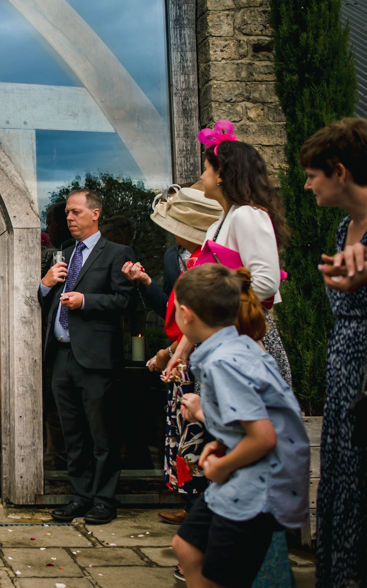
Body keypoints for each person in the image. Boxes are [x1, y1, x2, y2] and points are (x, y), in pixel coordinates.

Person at [171, 264, 309, 588]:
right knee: (185, 546)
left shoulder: (224, 362)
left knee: (221, 576)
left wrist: (222, 466)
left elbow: (263, 437)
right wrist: (221, 440)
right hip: (242, 480)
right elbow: (255, 416)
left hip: (257, 489)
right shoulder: (238, 347)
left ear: (186, 315)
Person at [121, 186, 222, 530]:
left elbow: (207, 314)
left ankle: (208, 510)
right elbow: (170, 308)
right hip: (183, 354)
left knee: (206, 431)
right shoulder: (170, 257)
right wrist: (145, 282)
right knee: (181, 430)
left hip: (205, 352)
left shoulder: (216, 255)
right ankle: (191, 503)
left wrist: (173, 352)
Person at [41, 189, 135, 525]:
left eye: (76, 212)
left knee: (102, 434)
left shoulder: (117, 253)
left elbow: (125, 300)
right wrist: (45, 285)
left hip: (96, 358)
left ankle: (104, 500)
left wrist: (87, 301)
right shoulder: (64, 253)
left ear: (95, 214)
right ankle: (80, 496)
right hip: (61, 355)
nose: (69, 217)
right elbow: (46, 301)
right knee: (73, 434)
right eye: (67, 212)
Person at [300, 117, 367, 588]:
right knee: (342, 477)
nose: (307, 185)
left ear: (339, 172)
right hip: (344, 361)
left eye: (312, 175)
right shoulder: (346, 226)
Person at [197, 121, 292, 385]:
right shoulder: (216, 226)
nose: (201, 176)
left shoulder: (248, 215)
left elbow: (267, 282)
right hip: (222, 335)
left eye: (206, 169)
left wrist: (217, 308)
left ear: (220, 175)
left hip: (246, 335)